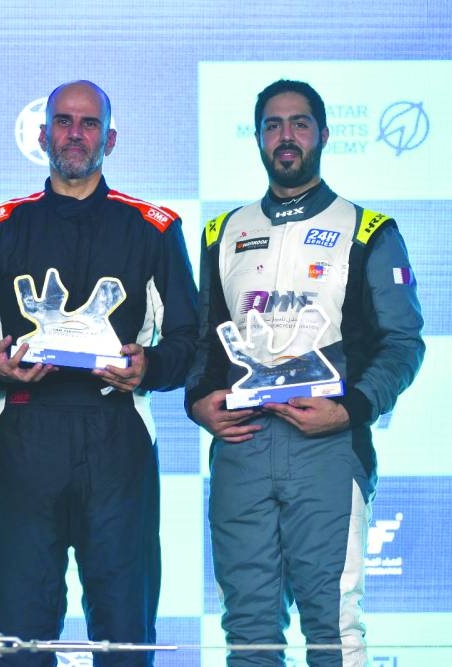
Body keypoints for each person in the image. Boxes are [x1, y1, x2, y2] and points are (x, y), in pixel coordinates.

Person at [0, 80, 199, 666]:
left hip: (118, 435)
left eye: (88, 124)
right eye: (63, 121)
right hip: (25, 435)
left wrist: (150, 366)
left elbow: (190, 342)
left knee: (125, 630)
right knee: (19, 635)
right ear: (42, 135)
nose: (74, 134)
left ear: (110, 138)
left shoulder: (154, 228)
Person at [185, 79, 425, 666]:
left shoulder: (368, 230)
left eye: (298, 123)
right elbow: (202, 342)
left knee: (332, 625)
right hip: (241, 447)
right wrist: (197, 400)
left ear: (323, 134)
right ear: (258, 138)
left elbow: (402, 343)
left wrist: (351, 410)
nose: (285, 136)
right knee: (249, 630)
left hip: (328, 447)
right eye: (272, 125)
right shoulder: (223, 231)